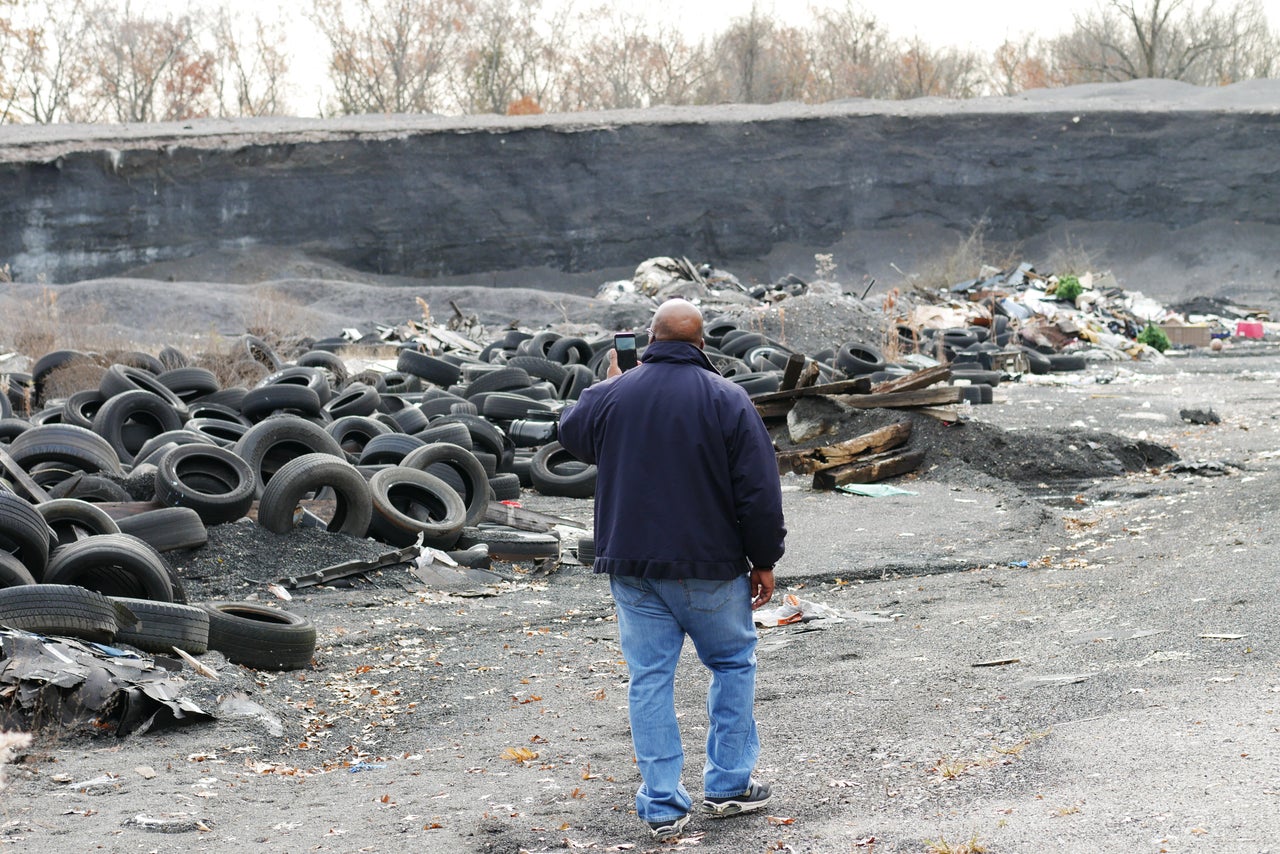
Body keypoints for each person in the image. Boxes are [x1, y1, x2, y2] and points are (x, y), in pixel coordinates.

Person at [558, 298, 787, 841]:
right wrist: (765, 559)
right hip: (711, 566)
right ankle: (729, 785)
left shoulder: (613, 394)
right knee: (731, 665)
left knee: (650, 679)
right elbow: (759, 491)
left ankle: (662, 804)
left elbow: (570, 434)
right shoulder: (728, 398)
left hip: (633, 567)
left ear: (650, 338)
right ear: (702, 344)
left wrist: (614, 383)